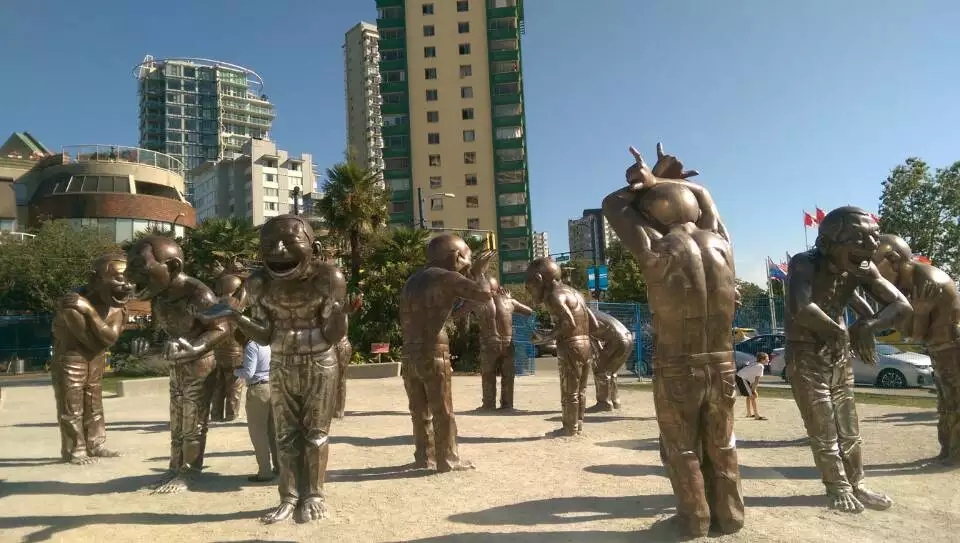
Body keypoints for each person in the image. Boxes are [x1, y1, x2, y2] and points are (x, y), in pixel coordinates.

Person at [236, 339, 279, 482]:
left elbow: (249, 373)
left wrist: (235, 371)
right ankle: (280, 467)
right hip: (273, 387)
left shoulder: (252, 346)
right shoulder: (270, 343)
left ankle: (265, 471)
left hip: (258, 388)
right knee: (274, 432)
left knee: (258, 433)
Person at [736, 352, 767, 420]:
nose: (768, 360)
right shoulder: (760, 366)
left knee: (750, 396)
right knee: (752, 396)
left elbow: (752, 378)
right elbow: (756, 380)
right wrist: (753, 390)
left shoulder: (756, 364)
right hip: (741, 378)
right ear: (762, 359)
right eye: (767, 358)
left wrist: (753, 390)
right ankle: (757, 415)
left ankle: (749, 413)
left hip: (741, 377)